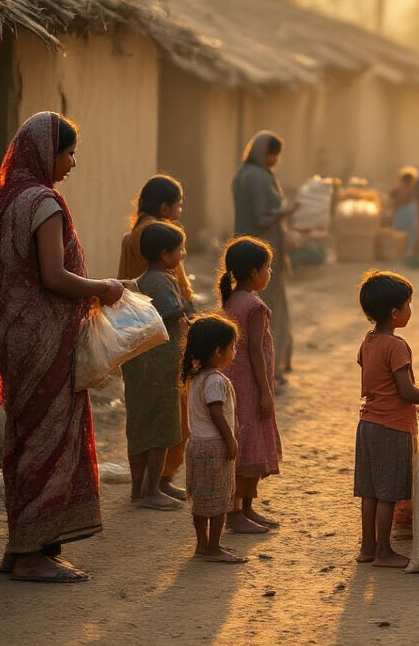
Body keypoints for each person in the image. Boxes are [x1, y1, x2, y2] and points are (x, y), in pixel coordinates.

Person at [0, 112, 125, 582]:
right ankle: (29, 557)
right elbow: (54, 276)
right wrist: (103, 287)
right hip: (44, 342)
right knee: (47, 440)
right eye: (68, 152)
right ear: (46, 153)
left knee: (25, 438)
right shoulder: (43, 203)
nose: (73, 162)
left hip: (16, 339)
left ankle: (21, 544)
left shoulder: (7, 201)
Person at [354, 270, 419, 567]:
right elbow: (407, 392)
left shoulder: (368, 342)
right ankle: (384, 551)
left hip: (368, 424)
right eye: (408, 305)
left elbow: (383, 386)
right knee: (389, 493)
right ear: (395, 313)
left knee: (370, 492)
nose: (411, 310)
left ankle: (367, 548)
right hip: (392, 427)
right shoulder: (397, 346)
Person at [117, 174, 195, 502]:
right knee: (165, 422)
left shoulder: (138, 249)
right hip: (159, 356)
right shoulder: (160, 275)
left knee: (142, 423)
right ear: (165, 254)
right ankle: (154, 485)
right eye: (180, 251)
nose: (183, 255)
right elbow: (172, 311)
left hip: (139, 353)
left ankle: (146, 486)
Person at [218, 237, 283, 533]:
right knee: (249, 447)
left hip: (236, 381)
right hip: (250, 384)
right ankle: (236, 513)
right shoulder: (255, 305)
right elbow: (255, 350)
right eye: (267, 268)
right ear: (255, 272)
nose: (269, 273)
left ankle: (246, 508)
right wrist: (265, 391)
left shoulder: (232, 299)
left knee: (246, 445)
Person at [181, 314, 246, 564]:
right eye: (232, 347)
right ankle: (214, 547)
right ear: (218, 351)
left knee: (201, 498)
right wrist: (230, 440)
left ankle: (202, 544)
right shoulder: (216, 381)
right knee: (219, 499)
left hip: (196, 445)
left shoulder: (197, 378)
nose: (234, 351)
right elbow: (216, 411)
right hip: (213, 446)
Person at [233, 131, 297, 379]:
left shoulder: (242, 174)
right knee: (268, 307)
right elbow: (262, 217)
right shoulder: (258, 177)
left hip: (245, 253)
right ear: (264, 153)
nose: (275, 161)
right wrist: (286, 211)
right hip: (261, 256)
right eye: (273, 155)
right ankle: (271, 368)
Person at [388, 167, 419, 261]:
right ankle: (404, 254)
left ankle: (408, 253)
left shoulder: (413, 192)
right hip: (401, 217)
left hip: (407, 218)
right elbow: (391, 204)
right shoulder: (397, 191)